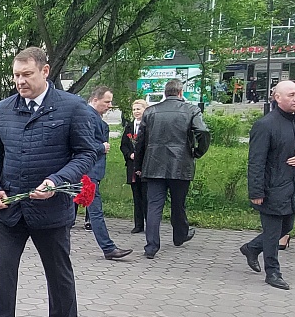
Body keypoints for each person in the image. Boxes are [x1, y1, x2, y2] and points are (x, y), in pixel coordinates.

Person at [0, 47, 98, 317]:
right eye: (16, 75)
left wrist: (57, 181)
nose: (20, 81)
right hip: (9, 211)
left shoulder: (72, 108)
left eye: (26, 74)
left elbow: (86, 154)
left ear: (45, 71)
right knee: (1, 277)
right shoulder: (4, 110)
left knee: (58, 272)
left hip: (50, 209)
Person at [240, 81, 295, 290]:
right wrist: (256, 191)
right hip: (271, 188)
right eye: (291, 95)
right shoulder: (265, 124)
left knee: (287, 227)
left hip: (292, 186)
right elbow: (256, 161)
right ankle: (272, 272)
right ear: (277, 98)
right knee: (273, 234)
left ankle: (252, 248)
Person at [133, 78, 210, 259]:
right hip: (181, 164)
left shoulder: (150, 111)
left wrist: (139, 165)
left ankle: (151, 247)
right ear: (181, 93)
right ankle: (179, 235)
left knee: (153, 206)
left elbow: (140, 141)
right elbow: (203, 132)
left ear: (165, 93)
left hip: (153, 165)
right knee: (178, 203)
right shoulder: (191, 109)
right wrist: (198, 152)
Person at [85, 87, 132, 260]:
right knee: (95, 211)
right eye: (107, 101)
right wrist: (101, 147)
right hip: (87, 172)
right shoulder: (89, 117)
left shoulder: (93, 116)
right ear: (95, 100)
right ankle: (108, 248)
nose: (110, 105)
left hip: (90, 171)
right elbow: (83, 144)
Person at [120, 99, 148, 233]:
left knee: (146, 196)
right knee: (136, 197)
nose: (136, 112)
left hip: (145, 166)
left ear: (145, 110)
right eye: (134, 109)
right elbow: (123, 145)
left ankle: (150, 224)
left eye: (139, 109)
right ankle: (138, 225)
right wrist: (130, 154)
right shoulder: (129, 127)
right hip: (132, 166)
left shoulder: (148, 126)